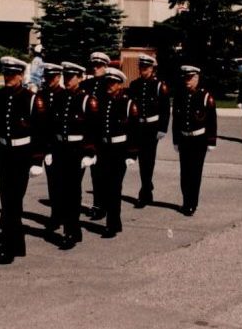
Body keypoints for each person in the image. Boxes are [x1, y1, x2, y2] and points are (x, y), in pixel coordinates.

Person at [0, 57, 47, 264]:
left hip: (22, 155)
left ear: (21, 75)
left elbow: (40, 131)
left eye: (12, 74)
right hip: (4, 154)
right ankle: (18, 244)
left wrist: (37, 160)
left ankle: (7, 246)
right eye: (6, 74)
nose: (8, 78)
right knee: (8, 199)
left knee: (13, 201)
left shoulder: (31, 98)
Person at [47, 62, 99, 249]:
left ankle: (71, 231)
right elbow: (52, 126)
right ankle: (71, 229)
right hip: (61, 148)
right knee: (60, 190)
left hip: (77, 150)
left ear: (80, 78)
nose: (68, 80)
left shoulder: (87, 100)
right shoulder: (60, 98)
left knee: (72, 192)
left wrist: (90, 152)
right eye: (66, 77)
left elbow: (94, 128)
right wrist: (49, 150)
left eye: (72, 77)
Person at [93, 68, 140, 238]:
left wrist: (131, 154)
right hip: (104, 149)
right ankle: (114, 221)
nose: (109, 85)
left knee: (114, 187)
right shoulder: (102, 101)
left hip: (120, 150)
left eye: (112, 83)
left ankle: (112, 224)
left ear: (120, 85)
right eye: (107, 82)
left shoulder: (128, 104)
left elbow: (135, 131)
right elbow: (97, 129)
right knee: (104, 186)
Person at [172, 65, 217, 216]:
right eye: (185, 78)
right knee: (184, 173)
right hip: (184, 139)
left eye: (190, 78)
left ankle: (192, 204)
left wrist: (211, 141)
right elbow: (176, 120)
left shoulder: (205, 96)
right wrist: (176, 139)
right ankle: (185, 201)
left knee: (195, 173)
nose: (187, 81)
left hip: (199, 140)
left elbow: (212, 121)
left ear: (197, 78)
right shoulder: (180, 95)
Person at [127, 54, 170, 208]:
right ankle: (147, 186)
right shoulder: (134, 85)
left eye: (146, 68)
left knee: (148, 160)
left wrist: (162, 129)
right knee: (140, 159)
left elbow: (165, 110)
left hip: (152, 128)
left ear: (152, 69)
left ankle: (144, 193)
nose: (143, 71)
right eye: (141, 68)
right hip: (138, 127)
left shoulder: (159, 86)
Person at [80, 52, 110, 218]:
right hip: (84, 135)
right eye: (94, 65)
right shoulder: (86, 85)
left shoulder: (109, 84)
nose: (96, 68)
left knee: (99, 173)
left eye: (99, 66)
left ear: (106, 67)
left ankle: (100, 205)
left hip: (100, 136)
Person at [36, 63, 65, 231]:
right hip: (47, 146)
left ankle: (64, 213)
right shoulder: (41, 95)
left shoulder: (64, 95)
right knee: (53, 182)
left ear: (58, 77)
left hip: (63, 146)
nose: (50, 80)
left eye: (53, 77)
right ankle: (56, 215)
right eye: (47, 76)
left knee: (64, 183)